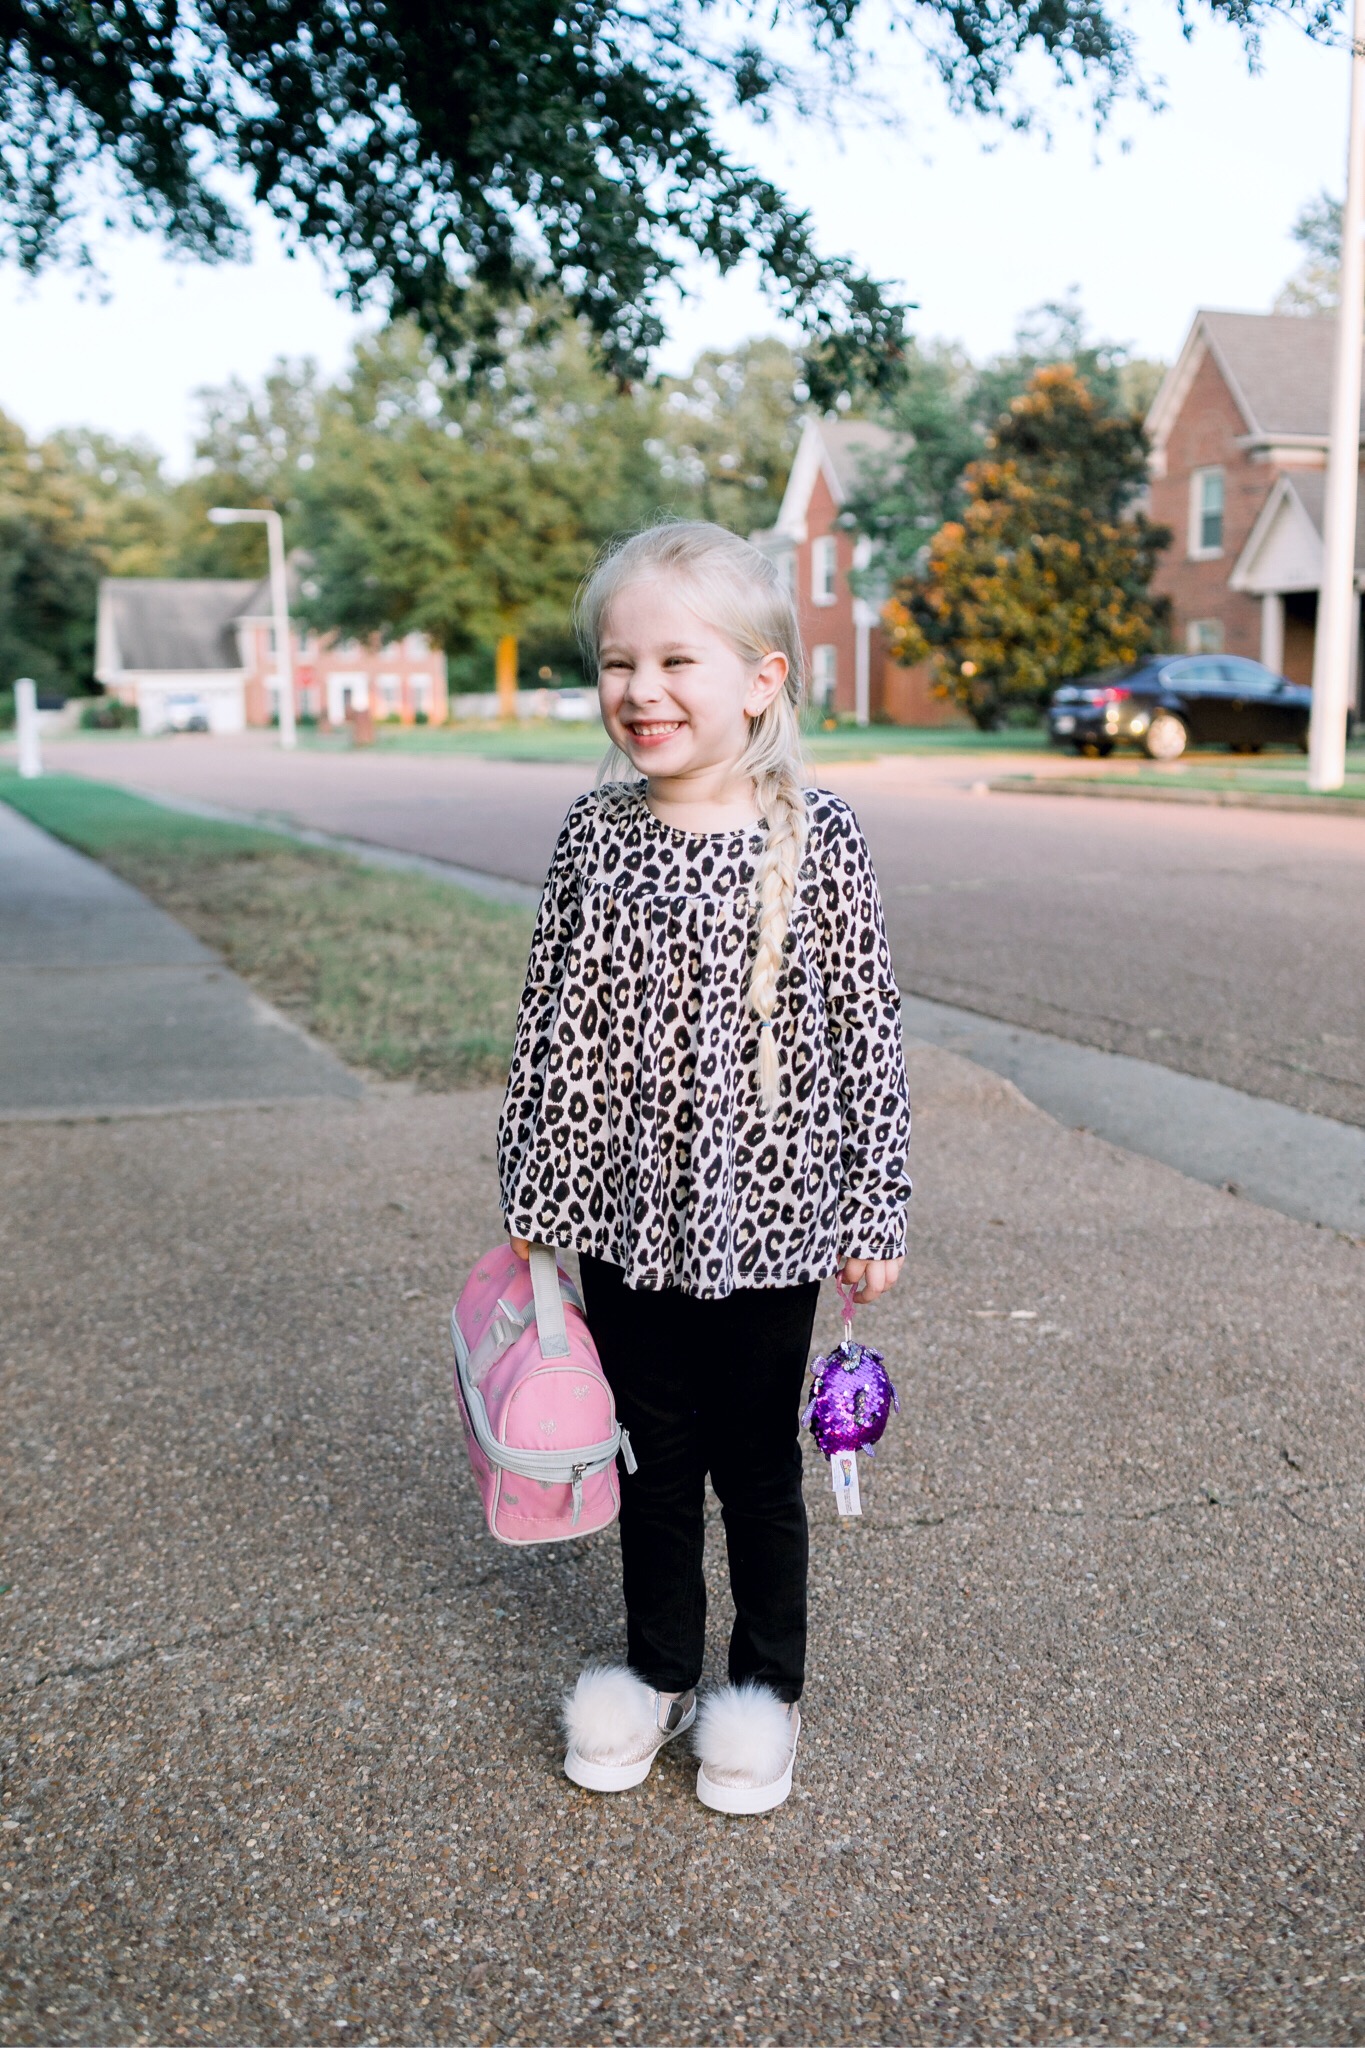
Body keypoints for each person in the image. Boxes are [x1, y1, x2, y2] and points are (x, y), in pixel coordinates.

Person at [497, 521, 911, 1815]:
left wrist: (873, 1204)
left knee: (754, 1467)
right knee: (649, 1460)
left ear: (760, 679)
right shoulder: (593, 835)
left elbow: (867, 1037)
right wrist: (537, 1197)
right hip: (625, 1219)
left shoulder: (818, 834)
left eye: (676, 658)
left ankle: (761, 1694)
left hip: (773, 1222)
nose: (639, 690)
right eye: (617, 662)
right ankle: (661, 1669)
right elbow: (553, 1029)